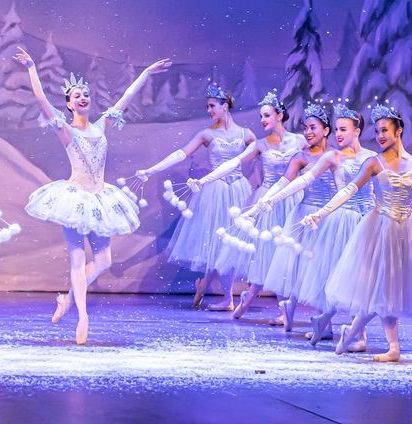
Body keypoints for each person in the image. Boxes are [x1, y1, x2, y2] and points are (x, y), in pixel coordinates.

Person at [15, 46, 170, 345]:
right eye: (77, 95)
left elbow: (126, 98)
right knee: (77, 260)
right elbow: (41, 100)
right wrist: (32, 67)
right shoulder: (65, 130)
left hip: (100, 199)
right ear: (69, 104)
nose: (83, 97)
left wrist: (147, 73)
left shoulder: (101, 126)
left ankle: (68, 299)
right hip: (75, 199)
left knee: (104, 261)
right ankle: (83, 317)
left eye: (86, 94)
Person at [303, 103, 412, 362]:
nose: (380, 135)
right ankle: (391, 346)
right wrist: (321, 213)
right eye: (377, 131)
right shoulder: (374, 162)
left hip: (406, 229)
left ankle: (351, 333)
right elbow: (348, 190)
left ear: (398, 131)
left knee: (392, 289)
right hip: (381, 229)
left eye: (385, 130)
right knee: (382, 288)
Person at [135, 83, 255, 311]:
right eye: (207, 106)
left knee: (234, 243)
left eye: (212, 106)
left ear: (225, 106)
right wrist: (151, 170)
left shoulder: (246, 134)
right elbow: (181, 154)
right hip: (215, 192)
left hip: (239, 190)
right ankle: (227, 298)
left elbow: (261, 158)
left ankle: (209, 288)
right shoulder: (206, 134)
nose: (209, 110)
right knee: (218, 243)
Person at [188, 90, 307, 319]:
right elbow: (233, 162)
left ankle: (254, 302)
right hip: (266, 201)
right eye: (261, 116)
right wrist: (204, 180)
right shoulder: (259, 144)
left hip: (292, 199)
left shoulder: (300, 141)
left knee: (288, 253)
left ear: (279, 115)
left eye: (266, 115)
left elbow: (315, 165)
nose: (262, 120)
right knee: (267, 252)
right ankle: (272, 307)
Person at [259, 102, 335, 330]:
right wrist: (267, 200)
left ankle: (322, 322)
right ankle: (293, 312)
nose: (308, 132)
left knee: (323, 267)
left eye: (313, 127)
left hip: (328, 216)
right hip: (304, 214)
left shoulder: (336, 156)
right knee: (299, 266)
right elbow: (284, 182)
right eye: (306, 128)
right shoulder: (300, 157)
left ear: (326, 130)